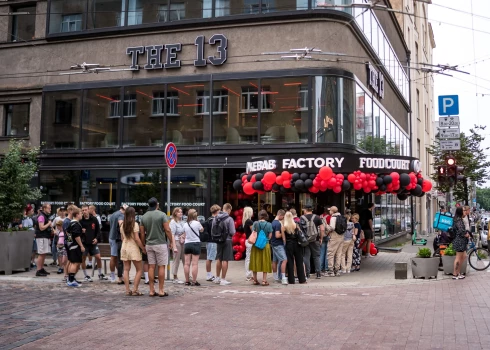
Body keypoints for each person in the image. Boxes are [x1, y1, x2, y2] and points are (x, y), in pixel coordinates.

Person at [140, 197, 177, 297]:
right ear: (157, 204)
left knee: (151, 266)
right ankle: (161, 290)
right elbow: (167, 229)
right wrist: (171, 242)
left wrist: (143, 244)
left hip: (149, 244)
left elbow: (142, 233)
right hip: (160, 243)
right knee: (161, 266)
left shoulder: (144, 217)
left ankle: (152, 290)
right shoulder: (162, 215)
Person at [120, 206, 145, 296]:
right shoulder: (135, 224)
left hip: (124, 247)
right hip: (133, 247)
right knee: (139, 270)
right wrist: (142, 248)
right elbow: (137, 238)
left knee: (126, 269)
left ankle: (127, 290)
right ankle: (135, 289)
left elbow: (122, 238)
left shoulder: (122, 225)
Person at [80, 205, 108, 282]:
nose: (84, 212)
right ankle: (86, 275)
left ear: (89, 210)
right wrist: (81, 232)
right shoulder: (80, 220)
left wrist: (96, 238)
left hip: (93, 242)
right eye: (83, 210)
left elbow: (98, 231)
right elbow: (77, 233)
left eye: (85, 210)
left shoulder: (94, 219)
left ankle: (100, 274)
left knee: (98, 257)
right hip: (84, 243)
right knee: (83, 258)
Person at [213, 203, 236, 286]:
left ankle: (217, 278)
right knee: (225, 259)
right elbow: (232, 232)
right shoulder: (229, 219)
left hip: (218, 240)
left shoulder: (215, 218)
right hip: (227, 240)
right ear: (229, 210)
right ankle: (223, 279)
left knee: (219, 258)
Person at [300, 204, 324, 279]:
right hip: (315, 239)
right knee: (316, 256)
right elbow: (322, 229)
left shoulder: (302, 218)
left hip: (306, 240)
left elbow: (300, 230)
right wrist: (321, 238)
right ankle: (318, 273)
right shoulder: (317, 217)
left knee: (306, 256)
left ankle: (307, 274)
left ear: (305, 210)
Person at [250, 210, 273, 286]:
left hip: (256, 245)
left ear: (259, 216)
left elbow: (253, 233)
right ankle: (264, 280)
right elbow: (270, 236)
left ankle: (255, 279)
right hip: (265, 245)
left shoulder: (255, 223)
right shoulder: (269, 224)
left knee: (255, 261)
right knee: (265, 261)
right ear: (266, 216)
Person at [283, 211, 307, 284]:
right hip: (297, 244)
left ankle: (291, 280)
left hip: (289, 245)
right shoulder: (296, 225)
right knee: (299, 261)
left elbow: (284, 239)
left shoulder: (284, 227)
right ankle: (302, 279)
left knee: (290, 262)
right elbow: (300, 234)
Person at [183, 209, 204, 286]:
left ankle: (187, 280)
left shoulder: (185, 224)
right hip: (195, 243)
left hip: (187, 244)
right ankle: (194, 281)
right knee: (194, 264)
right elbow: (202, 230)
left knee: (186, 263)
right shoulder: (197, 223)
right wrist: (198, 221)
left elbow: (184, 233)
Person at [65, 207, 85, 287]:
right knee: (74, 263)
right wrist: (81, 245)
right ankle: (71, 280)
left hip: (71, 245)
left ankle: (70, 279)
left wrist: (70, 242)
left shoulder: (71, 223)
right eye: (81, 214)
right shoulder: (76, 224)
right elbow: (77, 236)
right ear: (77, 215)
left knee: (71, 262)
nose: (82, 215)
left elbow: (68, 232)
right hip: (75, 246)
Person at [108, 205, 126, 283]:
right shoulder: (121, 215)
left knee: (115, 257)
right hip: (116, 238)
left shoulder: (113, 214)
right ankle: (113, 276)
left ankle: (118, 275)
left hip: (111, 237)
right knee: (114, 257)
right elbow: (121, 224)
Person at [325, 206, 344, 277]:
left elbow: (332, 228)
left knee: (331, 254)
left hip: (334, 237)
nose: (329, 212)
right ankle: (337, 270)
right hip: (341, 237)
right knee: (339, 254)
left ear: (332, 211)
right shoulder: (341, 217)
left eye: (330, 210)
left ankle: (331, 271)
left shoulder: (333, 218)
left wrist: (326, 226)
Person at [35, 204, 53, 277]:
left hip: (45, 236)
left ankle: (41, 268)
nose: (50, 210)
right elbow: (41, 227)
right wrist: (48, 224)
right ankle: (38, 270)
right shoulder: (41, 216)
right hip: (41, 237)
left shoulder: (45, 216)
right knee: (41, 253)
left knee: (44, 253)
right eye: (49, 208)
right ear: (44, 208)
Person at [452, 207, 470, 279]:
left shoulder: (458, 219)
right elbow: (461, 231)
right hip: (459, 241)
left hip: (460, 240)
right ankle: (455, 274)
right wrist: (466, 234)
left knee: (464, 256)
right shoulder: (459, 220)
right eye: (464, 210)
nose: (465, 211)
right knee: (458, 257)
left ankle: (458, 272)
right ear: (460, 212)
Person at [169, 207, 186, 284]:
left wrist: (183, 235)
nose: (181, 214)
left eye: (181, 212)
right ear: (175, 213)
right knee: (176, 260)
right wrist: (174, 245)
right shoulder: (173, 222)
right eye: (179, 212)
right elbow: (172, 234)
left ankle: (187, 275)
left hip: (183, 241)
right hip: (176, 241)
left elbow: (185, 230)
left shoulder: (182, 222)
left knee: (185, 259)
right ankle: (175, 276)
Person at [204, 205, 220, 282]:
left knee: (209, 257)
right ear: (216, 211)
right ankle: (208, 275)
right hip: (213, 241)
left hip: (209, 241)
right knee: (210, 258)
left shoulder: (208, 220)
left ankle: (209, 274)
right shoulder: (215, 220)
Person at [271, 209, 287, 284]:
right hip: (278, 244)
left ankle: (275, 276)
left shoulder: (272, 222)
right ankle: (283, 277)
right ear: (280, 215)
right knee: (284, 259)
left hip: (273, 243)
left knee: (275, 260)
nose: (283, 218)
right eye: (283, 217)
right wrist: (283, 232)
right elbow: (277, 235)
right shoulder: (278, 224)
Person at [242, 206, 254, 281]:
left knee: (248, 258)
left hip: (247, 240)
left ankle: (248, 274)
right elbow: (253, 231)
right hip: (250, 241)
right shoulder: (249, 221)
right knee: (249, 258)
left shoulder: (245, 221)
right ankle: (249, 274)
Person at [319, 206, 331, 273]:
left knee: (321, 252)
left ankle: (320, 268)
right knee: (327, 252)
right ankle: (326, 268)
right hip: (328, 234)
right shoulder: (329, 217)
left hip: (321, 235)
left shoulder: (320, 216)